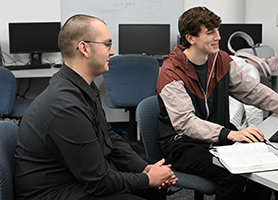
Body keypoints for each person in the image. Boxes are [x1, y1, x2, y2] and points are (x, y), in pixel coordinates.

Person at [156, 6, 278, 200]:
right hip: (183, 145)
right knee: (231, 174)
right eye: (209, 32)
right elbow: (186, 123)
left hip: (217, 138)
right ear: (190, 38)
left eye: (217, 30)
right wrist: (230, 134)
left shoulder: (220, 59)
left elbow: (254, 91)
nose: (218, 37)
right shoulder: (171, 70)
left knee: (265, 165)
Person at [14, 14, 177, 200]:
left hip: (77, 176)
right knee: (146, 188)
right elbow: (99, 181)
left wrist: (143, 168)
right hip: (53, 191)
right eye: (107, 44)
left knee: (155, 186)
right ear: (84, 48)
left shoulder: (80, 86)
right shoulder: (65, 107)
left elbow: (108, 136)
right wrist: (147, 179)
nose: (112, 51)